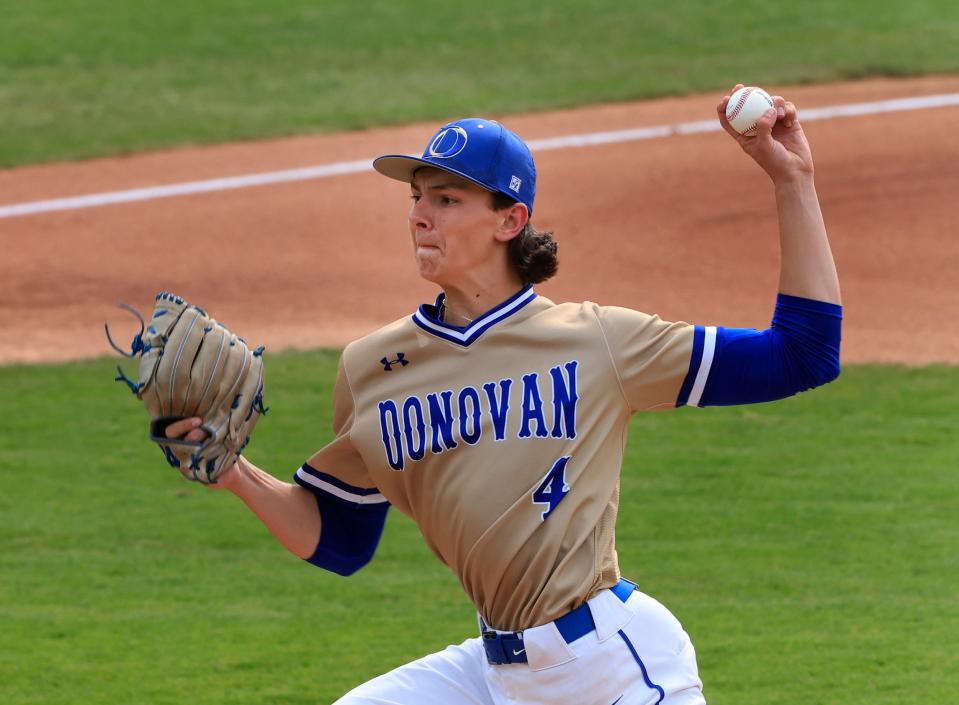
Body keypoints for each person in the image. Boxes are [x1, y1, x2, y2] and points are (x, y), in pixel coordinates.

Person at [166, 84, 842, 704]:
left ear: (508, 219)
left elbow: (800, 354)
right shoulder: (371, 367)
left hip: (613, 665)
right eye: (417, 197)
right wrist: (234, 473)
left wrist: (794, 180)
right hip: (496, 677)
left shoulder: (595, 340)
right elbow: (340, 536)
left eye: (446, 199)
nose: (420, 216)